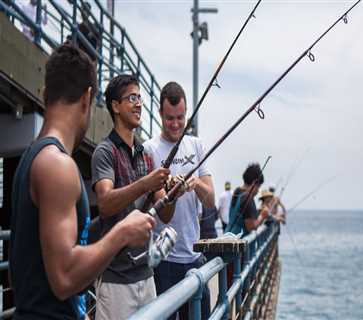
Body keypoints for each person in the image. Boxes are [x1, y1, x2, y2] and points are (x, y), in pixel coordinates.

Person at [9, 44, 155, 319]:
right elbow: (64, 278)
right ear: (88, 99)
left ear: (44, 95)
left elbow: (31, 269)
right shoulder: (58, 166)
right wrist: (122, 233)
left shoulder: (32, 156)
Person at [91, 74, 173, 319]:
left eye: (140, 98)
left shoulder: (145, 155)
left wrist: (174, 193)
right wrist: (145, 183)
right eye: (132, 98)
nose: (139, 104)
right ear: (115, 106)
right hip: (115, 278)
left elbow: (166, 214)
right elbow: (105, 204)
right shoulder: (105, 151)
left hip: (146, 275)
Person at [143, 81, 215, 320]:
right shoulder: (149, 150)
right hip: (164, 261)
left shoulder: (196, 145)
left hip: (195, 257)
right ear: (160, 113)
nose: (175, 125)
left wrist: (195, 184)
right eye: (169, 118)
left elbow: (211, 200)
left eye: (181, 118)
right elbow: (162, 210)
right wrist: (173, 192)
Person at [226, 163, 269, 235]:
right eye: (258, 187)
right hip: (240, 242)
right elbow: (251, 226)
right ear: (254, 183)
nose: (258, 191)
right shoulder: (248, 197)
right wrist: (262, 216)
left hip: (228, 236)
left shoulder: (237, 192)